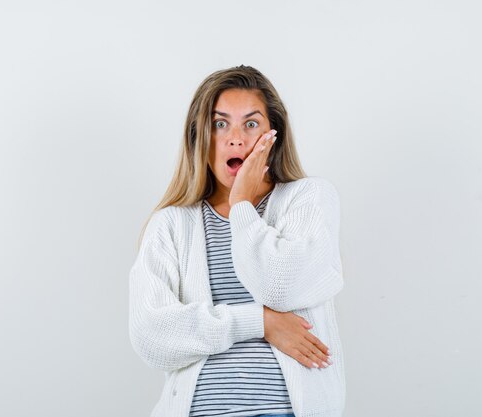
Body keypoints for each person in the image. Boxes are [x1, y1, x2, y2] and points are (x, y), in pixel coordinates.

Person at [128, 65, 345, 417]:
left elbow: (280, 287)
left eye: (251, 123)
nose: (236, 138)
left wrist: (242, 205)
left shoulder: (308, 199)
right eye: (219, 124)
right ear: (200, 137)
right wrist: (260, 322)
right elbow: (151, 335)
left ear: (273, 135)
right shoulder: (171, 224)